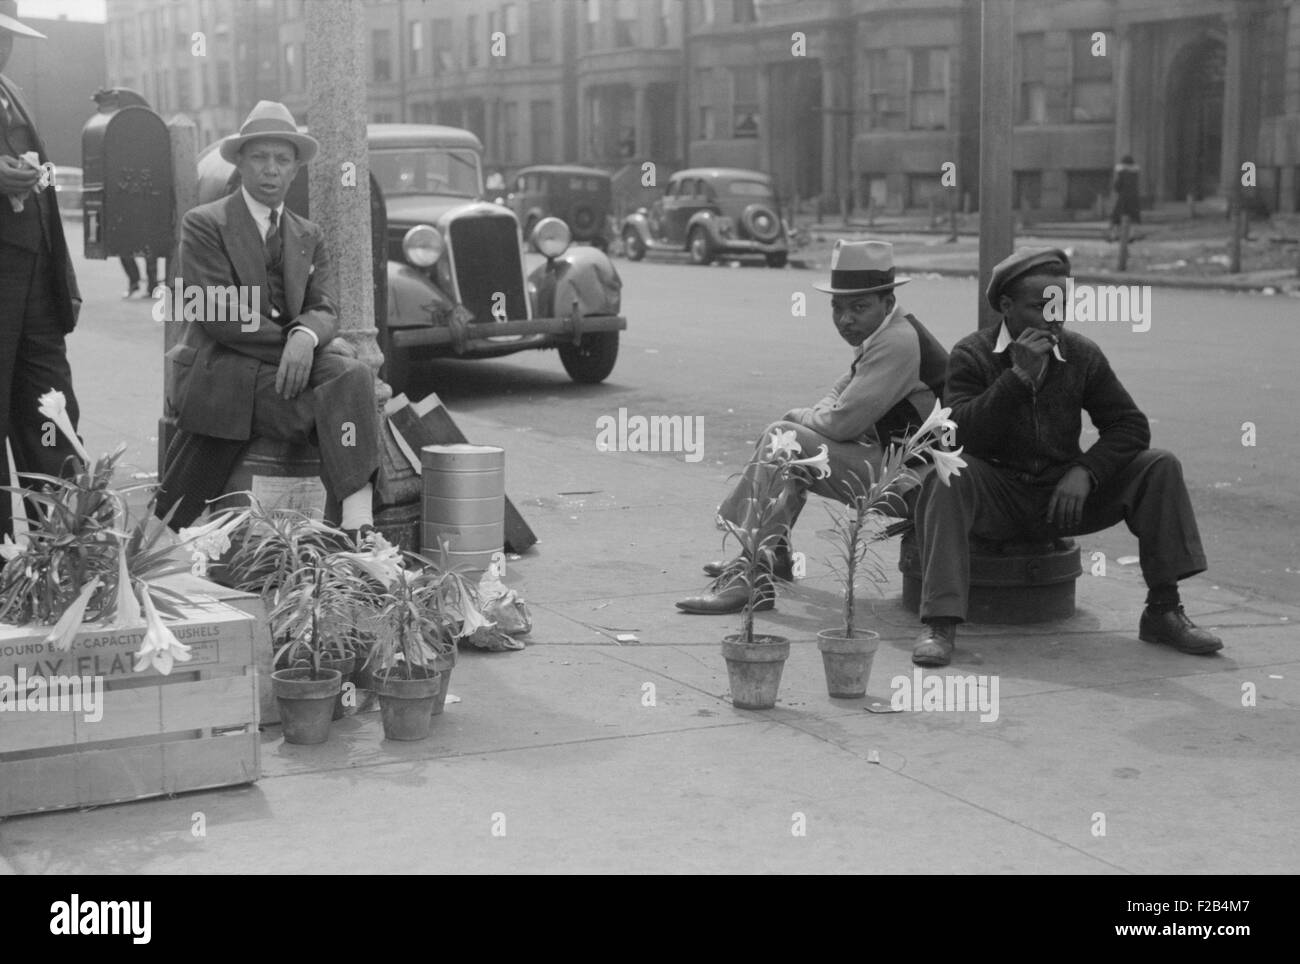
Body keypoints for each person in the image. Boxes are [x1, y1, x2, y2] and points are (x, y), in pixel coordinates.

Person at [911, 248, 1222, 667]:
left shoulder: (1080, 354)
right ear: (1006, 306)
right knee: (946, 475)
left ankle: (1163, 610)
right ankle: (940, 623)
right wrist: (1018, 378)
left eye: (1060, 305)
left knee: (1159, 465)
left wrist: (1085, 471)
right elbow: (957, 437)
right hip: (999, 496)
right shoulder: (973, 354)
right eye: (1040, 307)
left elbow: (1129, 425)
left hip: (1062, 496)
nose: (1053, 318)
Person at [677, 239, 948, 614]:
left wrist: (799, 416)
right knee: (788, 441)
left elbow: (841, 422)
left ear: (887, 303)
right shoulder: (885, 331)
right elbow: (840, 392)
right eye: (837, 307)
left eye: (859, 307)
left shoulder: (897, 342)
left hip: (919, 482)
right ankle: (772, 554)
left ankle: (752, 574)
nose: (845, 319)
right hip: (900, 465)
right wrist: (812, 416)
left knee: (784, 441)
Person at [154, 101, 380, 542]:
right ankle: (350, 520)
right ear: (239, 163)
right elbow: (215, 310)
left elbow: (325, 306)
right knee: (338, 389)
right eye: (259, 157)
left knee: (350, 375)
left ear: (295, 170)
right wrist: (292, 344)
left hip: (278, 376)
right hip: (221, 369)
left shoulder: (308, 234)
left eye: (282, 159)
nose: (270, 170)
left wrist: (308, 333)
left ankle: (358, 523)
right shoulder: (204, 224)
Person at [0, 4, 84, 542]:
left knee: (52, 417)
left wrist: (62, 283)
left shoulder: (11, 88)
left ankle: (65, 557)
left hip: (33, 288)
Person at [1107, 154, 1140, 242]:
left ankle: (1115, 235)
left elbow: (1117, 186)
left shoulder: (1122, 173)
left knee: (1116, 217)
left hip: (1123, 198)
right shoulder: (1135, 174)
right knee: (1133, 217)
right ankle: (1131, 235)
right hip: (1134, 198)